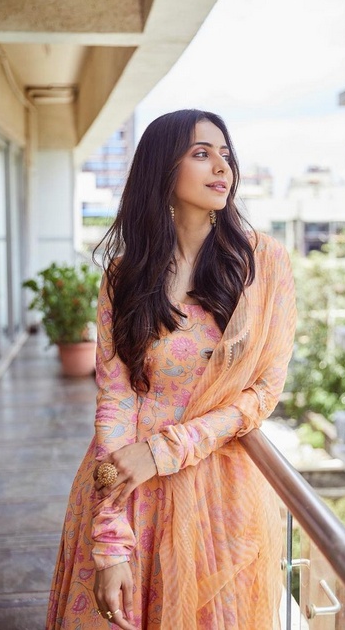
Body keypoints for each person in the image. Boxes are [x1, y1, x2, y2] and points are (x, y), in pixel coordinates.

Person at [46, 109, 297, 629]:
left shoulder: (263, 264)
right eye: (202, 154)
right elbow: (117, 396)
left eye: (226, 154)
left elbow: (263, 391)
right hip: (128, 488)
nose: (222, 167)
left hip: (215, 496)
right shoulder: (126, 275)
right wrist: (109, 539)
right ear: (164, 168)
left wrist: (163, 451)